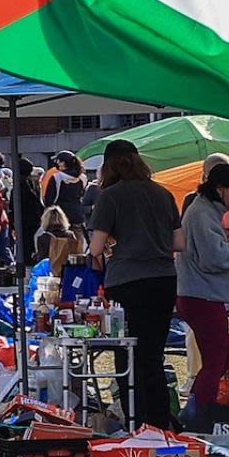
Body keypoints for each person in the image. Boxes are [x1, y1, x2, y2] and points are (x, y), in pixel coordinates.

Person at [86, 140, 181, 429]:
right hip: (164, 280)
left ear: (108, 166)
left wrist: (118, 242)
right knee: (153, 356)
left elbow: (95, 248)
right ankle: (161, 421)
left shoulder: (110, 196)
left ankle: (138, 424)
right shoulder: (163, 193)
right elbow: (180, 243)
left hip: (126, 282)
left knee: (127, 356)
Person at [176, 162, 229, 426]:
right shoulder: (202, 214)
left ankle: (198, 406)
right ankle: (199, 414)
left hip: (202, 295)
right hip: (201, 296)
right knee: (216, 359)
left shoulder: (205, 212)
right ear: (219, 189)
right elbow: (213, 257)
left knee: (224, 357)